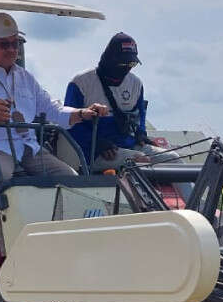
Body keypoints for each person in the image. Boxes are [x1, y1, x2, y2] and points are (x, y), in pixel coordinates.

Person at [0, 12, 109, 247]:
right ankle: (12, 254)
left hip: (25, 146)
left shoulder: (25, 77)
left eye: (15, 43)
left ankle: (70, 246)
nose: (11, 49)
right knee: (3, 180)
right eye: (4, 44)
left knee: (70, 178)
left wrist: (82, 113)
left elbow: (53, 110)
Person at [66, 33, 192, 198]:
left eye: (132, 63)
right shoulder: (81, 82)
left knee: (172, 158)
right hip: (92, 152)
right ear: (111, 58)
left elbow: (139, 117)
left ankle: (198, 208)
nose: (127, 68)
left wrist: (141, 133)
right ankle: (149, 209)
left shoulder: (136, 84)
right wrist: (96, 144)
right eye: (124, 63)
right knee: (140, 160)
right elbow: (68, 124)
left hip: (129, 145)